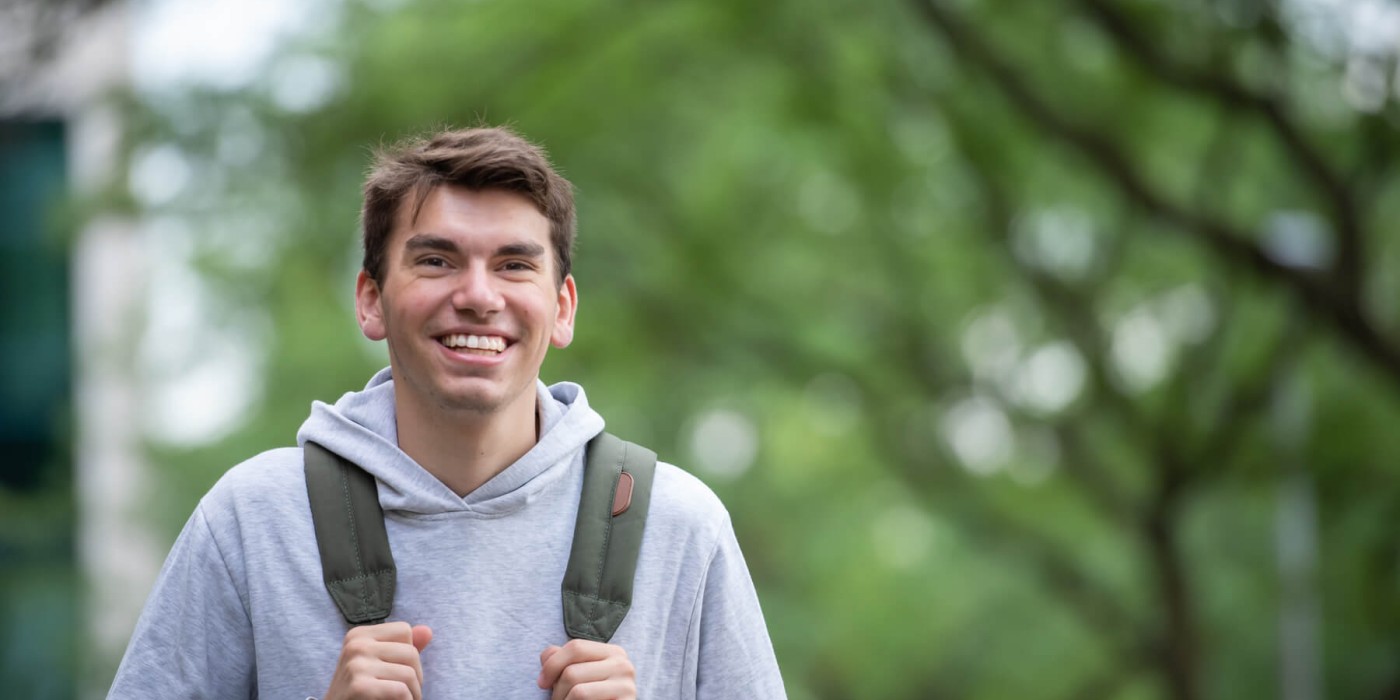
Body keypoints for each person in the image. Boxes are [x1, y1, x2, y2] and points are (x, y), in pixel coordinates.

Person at [108, 126, 786, 699]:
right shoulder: (253, 521)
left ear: (562, 308)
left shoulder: (680, 528)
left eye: (515, 265)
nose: (478, 296)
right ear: (371, 301)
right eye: (436, 260)